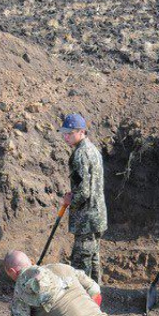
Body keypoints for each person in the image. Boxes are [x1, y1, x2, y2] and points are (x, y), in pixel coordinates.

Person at [59, 114, 107, 284]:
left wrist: (70, 201)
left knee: (81, 265)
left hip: (86, 219)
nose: (66, 137)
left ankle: (82, 303)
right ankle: (95, 300)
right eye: (64, 133)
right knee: (93, 260)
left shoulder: (80, 155)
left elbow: (84, 191)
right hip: (97, 216)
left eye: (69, 133)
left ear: (81, 132)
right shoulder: (93, 150)